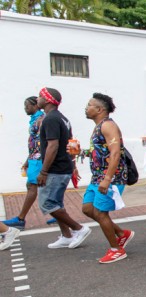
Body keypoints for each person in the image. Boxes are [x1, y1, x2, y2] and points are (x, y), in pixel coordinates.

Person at [81, 93, 135, 263]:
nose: (86, 108)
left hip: (111, 178)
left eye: (89, 105)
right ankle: (121, 233)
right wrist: (82, 152)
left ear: (99, 109)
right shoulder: (99, 126)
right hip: (97, 176)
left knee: (100, 212)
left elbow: (115, 153)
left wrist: (107, 179)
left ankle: (116, 250)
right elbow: (101, 151)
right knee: (88, 209)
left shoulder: (108, 125)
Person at [36, 87, 92, 249]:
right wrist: (73, 165)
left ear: (47, 99)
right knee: (56, 204)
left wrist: (44, 171)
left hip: (55, 169)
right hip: (63, 166)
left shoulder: (51, 119)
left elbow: (53, 146)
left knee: (47, 204)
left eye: (40, 96)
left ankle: (79, 229)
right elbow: (70, 144)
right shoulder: (62, 118)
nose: (37, 99)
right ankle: (66, 236)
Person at [3, 97, 45, 230]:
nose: (25, 108)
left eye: (27, 106)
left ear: (35, 105)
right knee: (41, 187)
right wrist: (27, 160)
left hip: (38, 159)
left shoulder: (41, 120)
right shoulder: (34, 120)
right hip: (33, 158)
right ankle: (59, 214)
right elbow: (34, 143)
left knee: (32, 186)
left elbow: (42, 142)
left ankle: (20, 219)